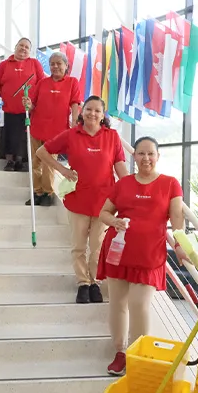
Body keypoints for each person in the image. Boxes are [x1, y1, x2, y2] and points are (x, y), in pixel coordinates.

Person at [97, 136, 188, 376]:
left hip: (149, 254)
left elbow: (177, 216)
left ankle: (138, 354)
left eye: (150, 154)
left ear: (158, 157)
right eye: (141, 153)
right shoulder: (123, 184)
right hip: (118, 251)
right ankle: (120, 352)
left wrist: (180, 244)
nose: (146, 158)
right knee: (117, 303)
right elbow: (104, 212)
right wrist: (114, 220)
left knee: (139, 304)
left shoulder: (170, 184)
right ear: (133, 156)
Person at [36, 96, 129, 304]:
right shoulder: (71, 135)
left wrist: (132, 190)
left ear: (103, 115)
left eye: (97, 111)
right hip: (78, 199)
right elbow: (42, 151)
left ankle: (94, 282)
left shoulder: (112, 137)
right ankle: (82, 283)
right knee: (78, 246)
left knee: (97, 246)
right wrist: (61, 169)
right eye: (88, 109)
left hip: (105, 203)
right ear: (81, 111)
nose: (92, 114)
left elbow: (120, 166)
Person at [22, 52, 81, 206]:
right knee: (35, 161)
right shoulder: (42, 83)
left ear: (66, 65)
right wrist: (28, 104)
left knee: (49, 163)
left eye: (58, 63)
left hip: (56, 131)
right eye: (52, 64)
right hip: (37, 127)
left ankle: (48, 193)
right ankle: (37, 192)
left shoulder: (72, 82)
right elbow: (33, 104)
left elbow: (75, 103)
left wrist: (75, 122)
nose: (55, 66)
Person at [0, 38, 45, 171]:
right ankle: (9, 161)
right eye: (21, 45)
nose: (23, 48)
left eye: (27, 47)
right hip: (7, 108)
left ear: (30, 51)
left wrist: (36, 102)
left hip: (27, 108)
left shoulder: (35, 64)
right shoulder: (4, 65)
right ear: (15, 46)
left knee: (23, 135)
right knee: (8, 133)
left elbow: (42, 83)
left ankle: (20, 160)